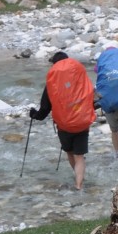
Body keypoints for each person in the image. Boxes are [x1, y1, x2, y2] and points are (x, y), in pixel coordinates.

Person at [30, 51, 96, 190]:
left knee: (70, 152)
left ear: (54, 64)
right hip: (82, 122)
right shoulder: (80, 76)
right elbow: (91, 95)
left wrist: (34, 115)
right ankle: (79, 184)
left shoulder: (52, 81)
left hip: (64, 125)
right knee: (80, 156)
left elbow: (44, 108)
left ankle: (77, 177)